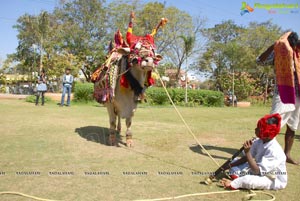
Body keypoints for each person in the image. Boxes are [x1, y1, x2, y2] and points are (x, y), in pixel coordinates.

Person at [256, 32, 300, 164]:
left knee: (293, 126)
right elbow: (260, 61)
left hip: (298, 95)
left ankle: (286, 154)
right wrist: (273, 47)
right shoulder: (279, 52)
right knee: (271, 123)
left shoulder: (298, 54)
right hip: (283, 92)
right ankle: (262, 153)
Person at [221, 113, 287, 190]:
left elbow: (256, 171)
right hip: (258, 170)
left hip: (272, 179)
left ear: (266, 133)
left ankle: (233, 183)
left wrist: (247, 152)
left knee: (246, 180)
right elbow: (246, 159)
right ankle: (237, 178)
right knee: (234, 163)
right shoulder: (259, 141)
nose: (255, 129)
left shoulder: (275, 151)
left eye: (258, 129)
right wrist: (230, 165)